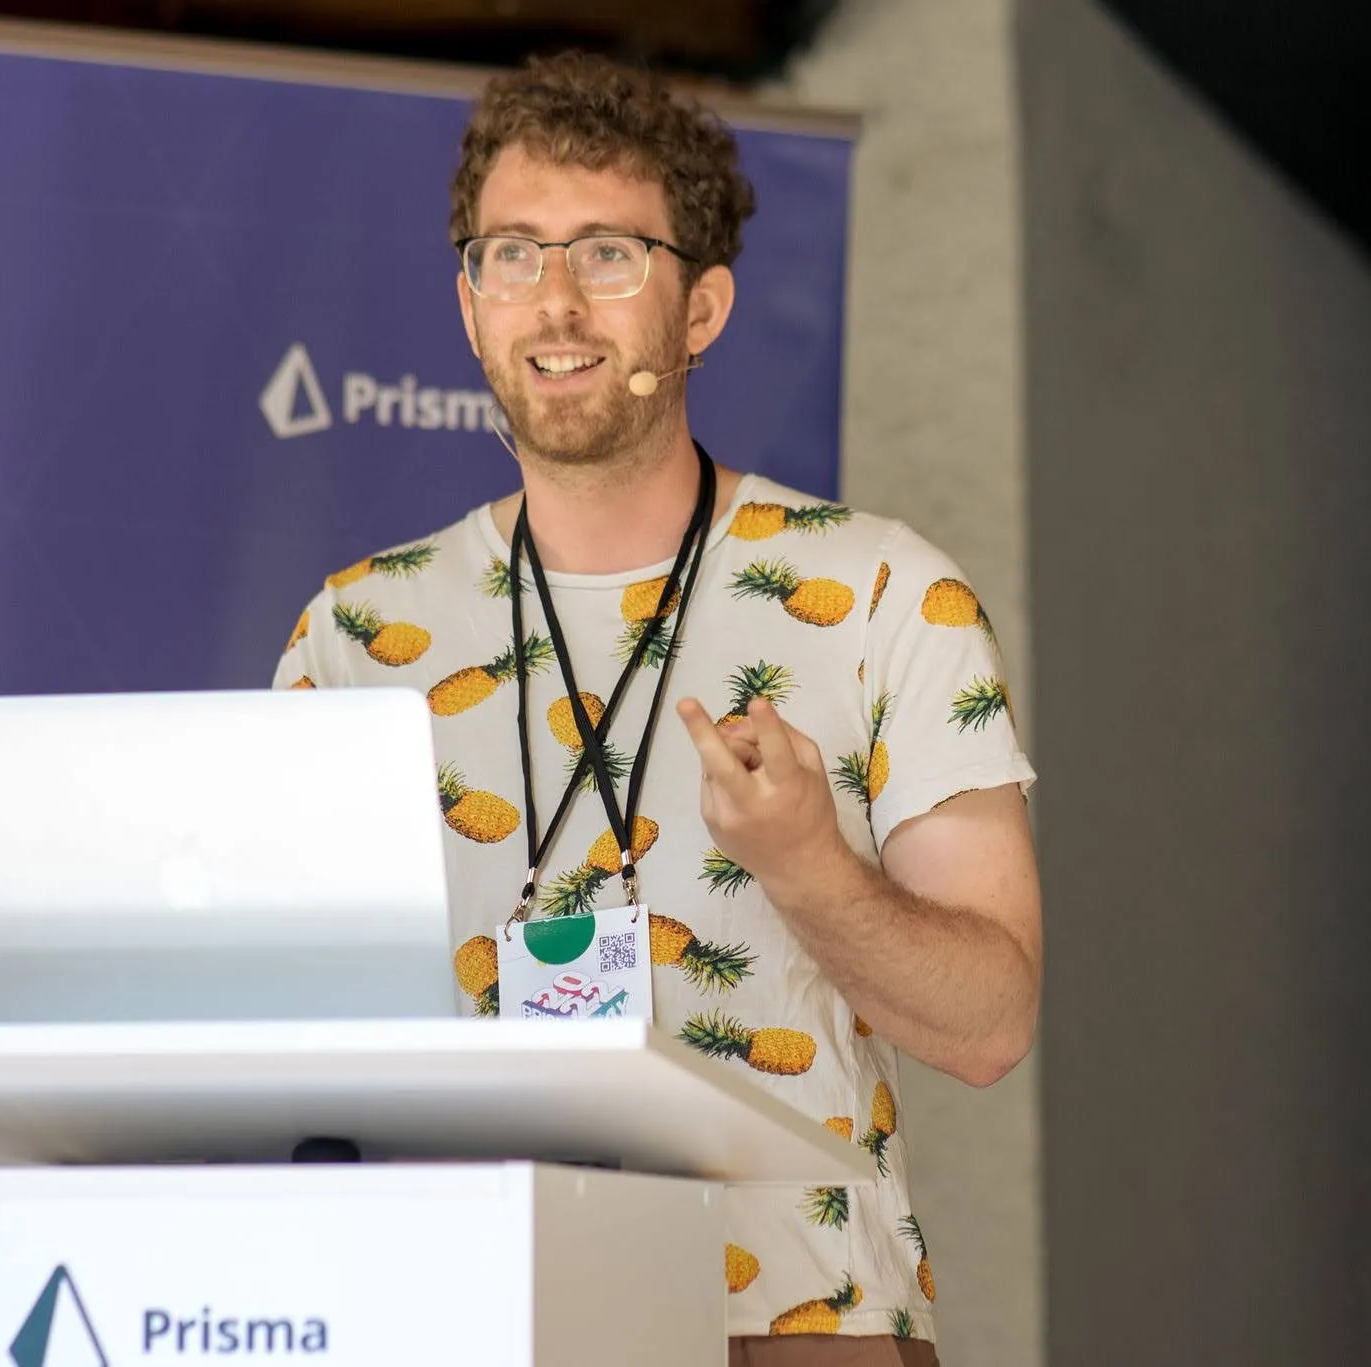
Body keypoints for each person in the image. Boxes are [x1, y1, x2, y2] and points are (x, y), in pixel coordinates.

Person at [273, 50, 1041, 1366]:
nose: (556, 300)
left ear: (702, 308)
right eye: (512, 253)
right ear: (468, 305)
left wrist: (806, 866)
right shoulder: (351, 637)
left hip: (794, 1322)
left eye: (610, 254)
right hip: (467, 1311)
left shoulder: (883, 592)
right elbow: (279, 1018)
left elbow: (991, 1023)